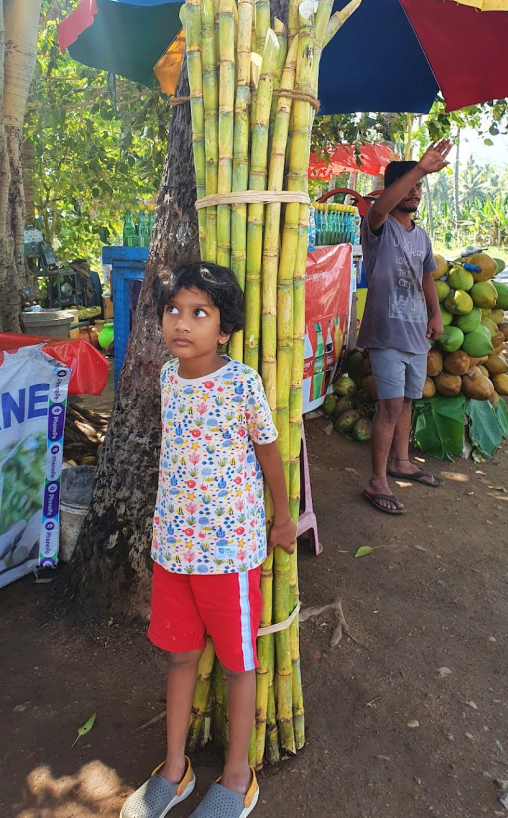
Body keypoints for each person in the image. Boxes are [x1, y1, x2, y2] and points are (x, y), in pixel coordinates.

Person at [121, 261, 296, 818]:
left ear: (223, 329)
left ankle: (238, 777)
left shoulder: (242, 382)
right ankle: (174, 770)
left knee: (238, 665)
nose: (182, 323)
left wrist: (284, 516)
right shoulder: (170, 379)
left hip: (230, 555)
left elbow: (269, 453)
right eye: (174, 310)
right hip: (173, 549)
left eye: (200, 313)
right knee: (179, 658)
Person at [358, 140, 452, 515]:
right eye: (409, 185)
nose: (415, 192)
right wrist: (420, 169)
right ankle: (377, 481)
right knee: (390, 405)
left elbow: (428, 276)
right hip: (386, 334)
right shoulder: (378, 227)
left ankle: (401, 461)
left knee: (408, 402)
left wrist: (436, 313)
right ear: (393, 189)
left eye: (419, 188)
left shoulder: (420, 235)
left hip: (416, 333)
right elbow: (379, 206)